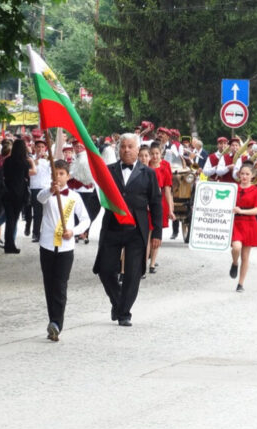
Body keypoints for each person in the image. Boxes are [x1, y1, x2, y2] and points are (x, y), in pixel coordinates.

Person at [94, 133, 162, 327]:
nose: (126, 150)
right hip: (112, 227)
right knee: (106, 270)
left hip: (136, 228)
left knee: (133, 273)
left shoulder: (148, 173)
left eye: (130, 146)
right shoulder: (108, 171)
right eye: (123, 146)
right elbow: (97, 196)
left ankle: (124, 313)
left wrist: (157, 232)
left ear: (138, 149)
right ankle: (117, 302)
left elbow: (156, 203)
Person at [37, 160, 90, 342]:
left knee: (60, 285)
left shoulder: (74, 197)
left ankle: (57, 323)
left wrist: (73, 231)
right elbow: (40, 198)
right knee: (49, 285)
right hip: (47, 245)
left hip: (66, 247)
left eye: (61, 174)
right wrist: (51, 190)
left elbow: (85, 220)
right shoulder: (47, 193)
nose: (58, 177)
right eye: (55, 174)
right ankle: (53, 320)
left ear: (68, 176)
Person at [228, 163, 257, 292]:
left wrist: (241, 211)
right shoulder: (233, 188)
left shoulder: (256, 191)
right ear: (239, 175)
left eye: (247, 174)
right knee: (236, 247)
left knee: (246, 256)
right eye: (242, 174)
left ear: (253, 176)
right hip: (236, 223)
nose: (244, 176)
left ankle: (240, 284)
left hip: (249, 223)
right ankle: (234, 263)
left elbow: (256, 211)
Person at [2, 139, 36, 253]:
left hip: (7, 192)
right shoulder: (24, 162)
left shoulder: (7, 161)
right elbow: (27, 176)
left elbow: (5, 175)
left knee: (9, 219)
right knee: (14, 219)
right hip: (19, 193)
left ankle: (8, 243)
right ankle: (11, 244)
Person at [148, 142, 174, 272]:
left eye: (157, 153)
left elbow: (168, 189)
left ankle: (152, 263)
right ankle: (144, 260)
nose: (154, 156)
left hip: (160, 202)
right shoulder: (145, 166)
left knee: (157, 233)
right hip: (146, 203)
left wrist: (170, 208)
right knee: (148, 232)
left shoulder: (165, 166)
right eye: (152, 154)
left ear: (161, 153)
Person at [26, 139, 51, 242]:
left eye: (42, 147)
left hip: (45, 188)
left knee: (43, 213)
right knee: (36, 212)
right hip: (34, 187)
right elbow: (28, 170)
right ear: (34, 148)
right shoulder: (30, 159)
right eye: (38, 147)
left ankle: (41, 233)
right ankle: (35, 232)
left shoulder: (49, 160)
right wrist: (35, 161)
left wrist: (48, 159)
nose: (40, 149)